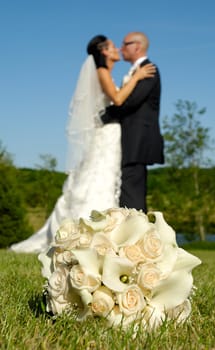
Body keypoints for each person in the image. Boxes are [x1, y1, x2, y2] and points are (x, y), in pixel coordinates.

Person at [10, 34, 155, 253]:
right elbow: (117, 99)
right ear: (104, 51)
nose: (117, 48)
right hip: (106, 135)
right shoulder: (102, 72)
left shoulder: (105, 72)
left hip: (110, 135)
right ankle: (87, 231)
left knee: (103, 179)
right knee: (98, 178)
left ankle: (105, 234)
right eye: (112, 46)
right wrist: (136, 78)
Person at [101, 32, 164, 213]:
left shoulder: (149, 70)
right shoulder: (136, 72)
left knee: (133, 193)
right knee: (126, 190)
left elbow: (131, 102)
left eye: (125, 44)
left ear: (137, 46)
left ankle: (138, 237)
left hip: (137, 142)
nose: (121, 48)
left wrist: (102, 117)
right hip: (128, 140)